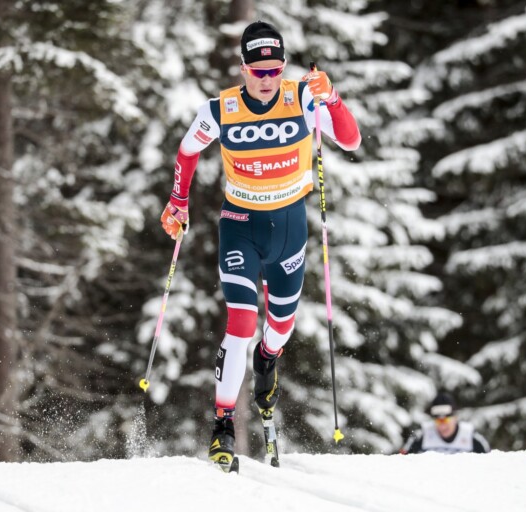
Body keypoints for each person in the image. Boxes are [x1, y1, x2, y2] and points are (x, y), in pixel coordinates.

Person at [159, 20, 361, 467]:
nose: (267, 79)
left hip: (289, 228)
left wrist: (331, 97)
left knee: (280, 328)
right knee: (241, 322)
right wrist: (178, 201)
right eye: (258, 71)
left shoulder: (304, 98)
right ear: (244, 68)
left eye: (275, 70)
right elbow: (188, 150)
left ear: (283, 67)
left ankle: (268, 359)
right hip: (240, 224)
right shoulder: (220, 109)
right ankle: (223, 425)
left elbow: (351, 139)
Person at [401, 392, 491, 454]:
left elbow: (489, 465)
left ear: (455, 418)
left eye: (446, 420)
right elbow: (403, 462)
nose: (442, 426)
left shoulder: (471, 437)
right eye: (438, 420)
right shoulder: (421, 436)